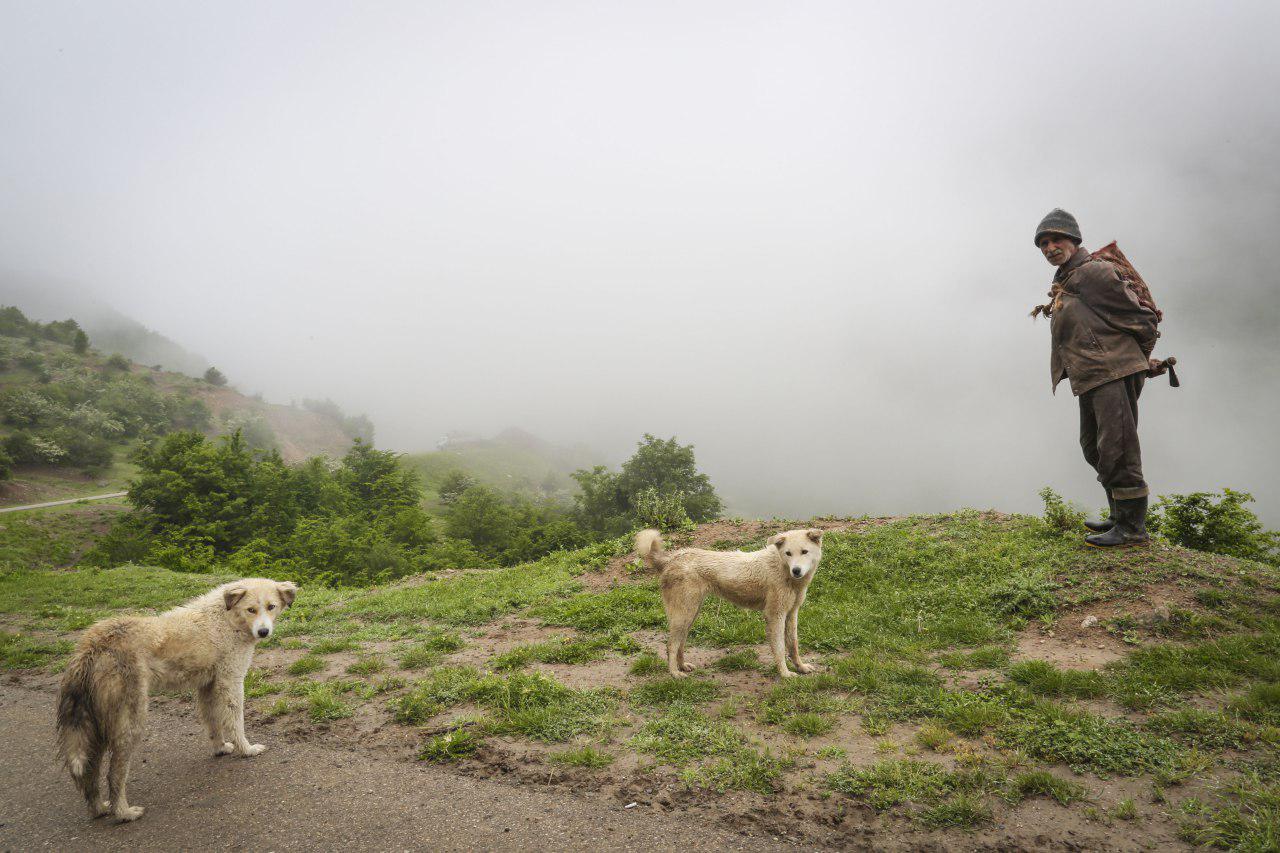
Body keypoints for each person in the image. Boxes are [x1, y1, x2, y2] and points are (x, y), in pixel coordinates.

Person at [1033, 208, 1161, 547]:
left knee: (1118, 448)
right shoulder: (1066, 279)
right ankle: (1119, 515)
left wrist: (1138, 361)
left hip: (1112, 372)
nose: (1049, 247)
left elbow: (1142, 319)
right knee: (1094, 447)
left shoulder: (1095, 273)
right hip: (1090, 375)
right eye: (1043, 243)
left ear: (1074, 240)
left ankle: (1133, 530)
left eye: (1056, 239)